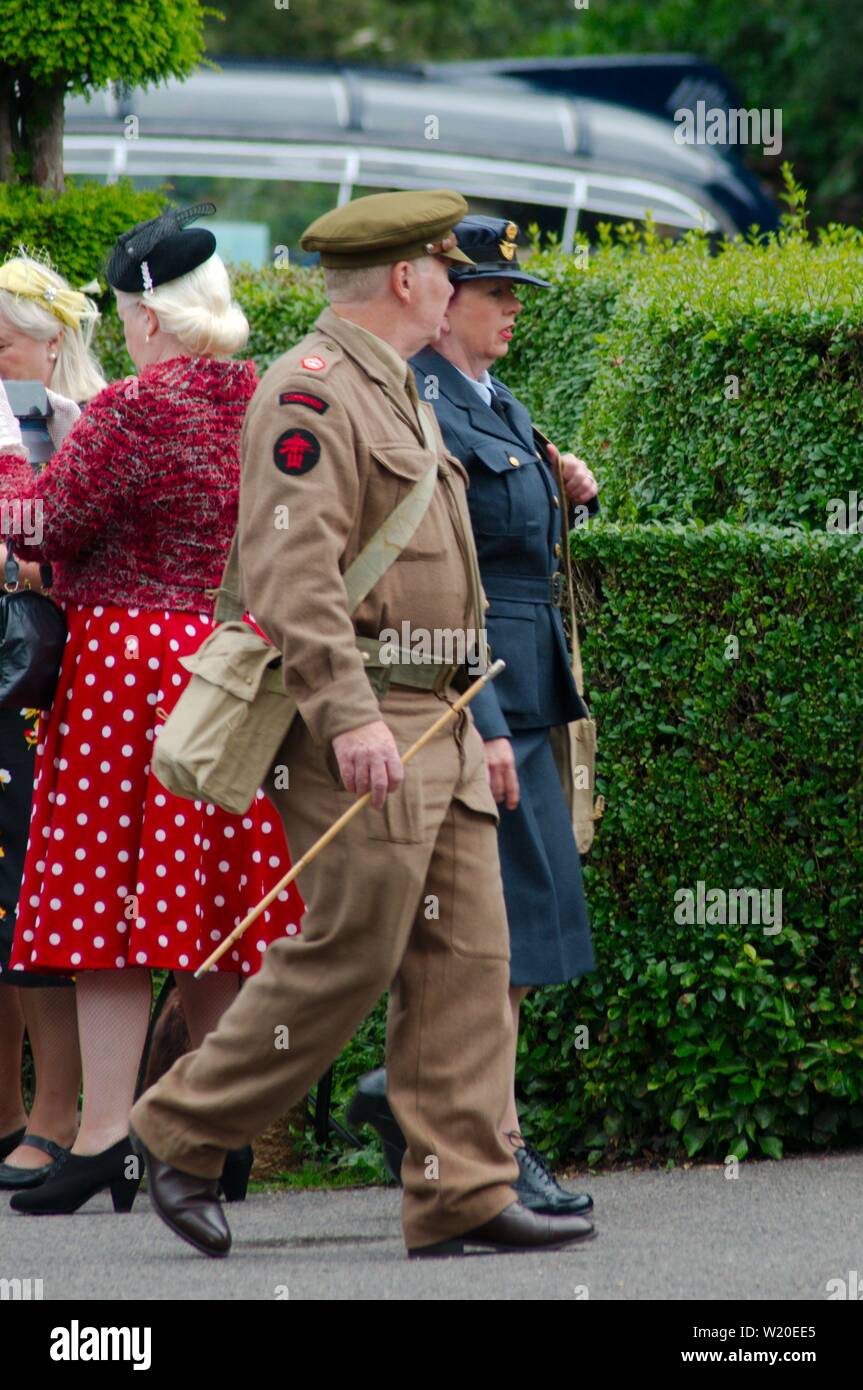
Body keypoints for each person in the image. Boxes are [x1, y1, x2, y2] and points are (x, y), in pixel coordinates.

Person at [128, 189, 595, 1259]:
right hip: (368, 716)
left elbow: (449, 570)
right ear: (406, 277)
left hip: (440, 717)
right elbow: (294, 576)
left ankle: (460, 1188)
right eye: (446, 268)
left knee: (465, 958)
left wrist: (478, 716)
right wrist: (345, 717)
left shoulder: (397, 385)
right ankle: (182, 1128)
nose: (457, 285)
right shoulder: (312, 390)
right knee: (351, 948)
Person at [0, 206, 303, 1217]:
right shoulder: (258, 397)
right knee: (206, 909)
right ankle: (215, 1132)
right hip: (222, 663)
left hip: (124, 671)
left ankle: (103, 1136)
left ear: (148, 316)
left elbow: (44, 527)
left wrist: (18, 459)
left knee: (105, 913)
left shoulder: (133, 409)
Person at [350, 215, 600, 1212]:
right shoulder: (426, 407)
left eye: (513, 295)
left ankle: (420, 1098)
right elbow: (443, 584)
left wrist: (567, 491)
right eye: (496, 293)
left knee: (524, 930)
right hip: (479, 689)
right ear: (444, 302)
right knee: (499, 935)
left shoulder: (494, 399)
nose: (511, 311)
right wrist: (483, 717)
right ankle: (486, 1138)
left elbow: (511, 537)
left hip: (528, 689)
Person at [0, 252, 105, 1193]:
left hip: (47, 681)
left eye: (2, 345)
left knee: (37, 896)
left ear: (51, 344)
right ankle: (11, 1111)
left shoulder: (84, 425)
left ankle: (63, 1112)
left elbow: (82, 557)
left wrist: (21, 562)